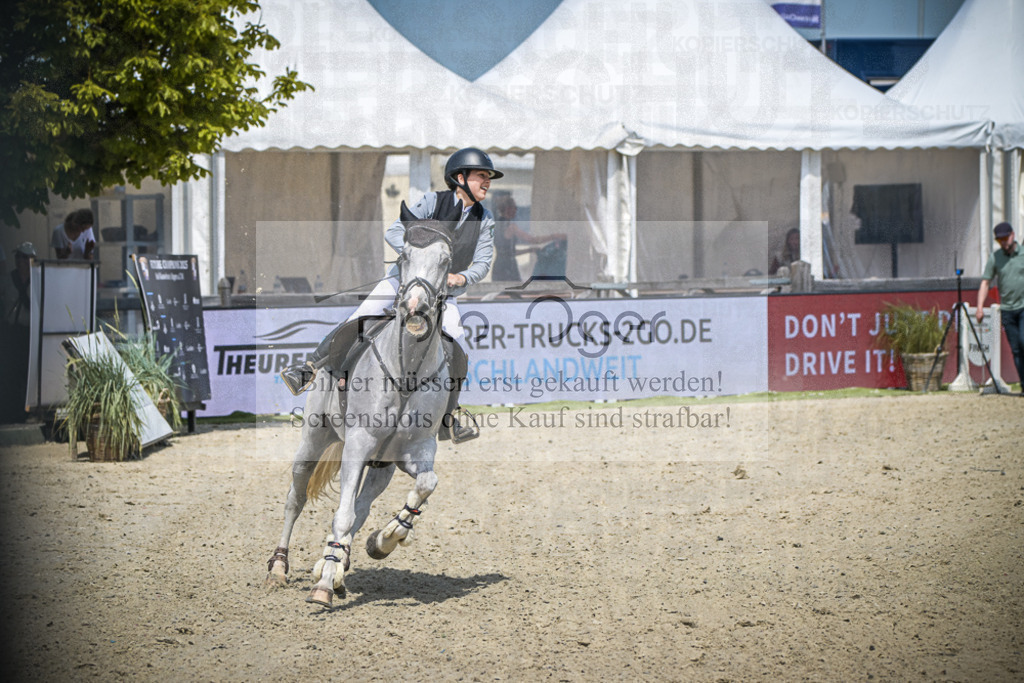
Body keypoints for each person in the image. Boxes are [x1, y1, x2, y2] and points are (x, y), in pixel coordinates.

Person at [280, 147, 504, 441]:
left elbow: (484, 262)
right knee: (361, 317)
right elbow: (394, 232)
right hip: (402, 281)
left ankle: (450, 415)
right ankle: (308, 369)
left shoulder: (484, 218)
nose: (487, 182)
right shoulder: (432, 202)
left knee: (457, 340)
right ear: (460, 178)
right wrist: (417, 256)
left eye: (488, 177)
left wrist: (462, 276)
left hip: (442, 293)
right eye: (481, 176)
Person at [976, 222, 1024, 394]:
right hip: (1007, 310)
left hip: (1023, 307)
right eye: (999, 240)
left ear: (1013, 235)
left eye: (1005, 238)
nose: (1003, 242)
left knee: (1023, 341)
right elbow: (985, 282)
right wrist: (980, 307)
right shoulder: (995, 258)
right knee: (1016, 350)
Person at [490, 191, 567, 282]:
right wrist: (554, 236)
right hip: (508, 267)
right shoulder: (511, 227)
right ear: (508, 209)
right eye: (515, 207)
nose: (516, 210)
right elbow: (533, 240)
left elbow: (508, 252)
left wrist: (530, 250)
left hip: (498, 266)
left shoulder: (495, 226)